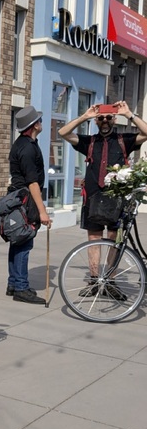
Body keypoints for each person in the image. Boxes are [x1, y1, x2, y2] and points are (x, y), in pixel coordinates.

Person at [58, 100, 147, 299]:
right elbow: (62, 132)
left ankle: (110, 281)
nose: (105, 121)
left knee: (114, 240)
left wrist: (129, 114)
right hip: (93, 198)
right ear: (96, 121)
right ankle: (94, 281)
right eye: (101, 118)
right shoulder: (89, 142)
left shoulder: (124, 140)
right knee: (94, 239)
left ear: (114, 119)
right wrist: (85, 116)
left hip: (116, 199)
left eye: (108, 117)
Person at [7, 105, 52, 304]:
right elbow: (32, 182)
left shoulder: (23, 144)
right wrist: (42, 211)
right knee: (24, 243)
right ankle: (20, 288)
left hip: (20, 199)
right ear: (34, 126)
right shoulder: (27, 149)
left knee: (18, 242)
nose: (41, 123)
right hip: (26, 201)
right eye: (39, 120)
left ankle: (14, 283)